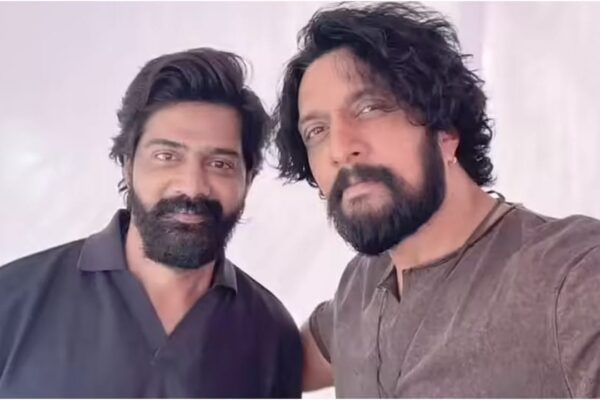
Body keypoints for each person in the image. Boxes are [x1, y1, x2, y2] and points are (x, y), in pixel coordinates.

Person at [272, 2, 600, 397]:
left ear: (446, 131)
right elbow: (266, 364)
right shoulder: (359, 288)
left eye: (370, 108)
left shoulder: (570, 275)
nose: (340, 149)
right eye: (316, 130)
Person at [0, 48, 301, 398]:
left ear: (248, 179)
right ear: (127, 165)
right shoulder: (12, 299)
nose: (191, 186)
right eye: (166, 156)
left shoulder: (272, 332)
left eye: (220, 164)